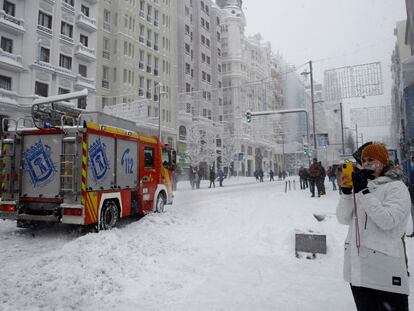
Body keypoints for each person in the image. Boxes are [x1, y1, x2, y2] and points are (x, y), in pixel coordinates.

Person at [336, 143, 410, 311]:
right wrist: (347, 194)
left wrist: (363, 192)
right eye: (364, 160)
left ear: (383, 162)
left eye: (372, 159)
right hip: (358, 272)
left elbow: (388, 220)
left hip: (385, 274)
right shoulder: (363, 186)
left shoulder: (396, 187)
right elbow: (343, 218)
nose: (367, 163)